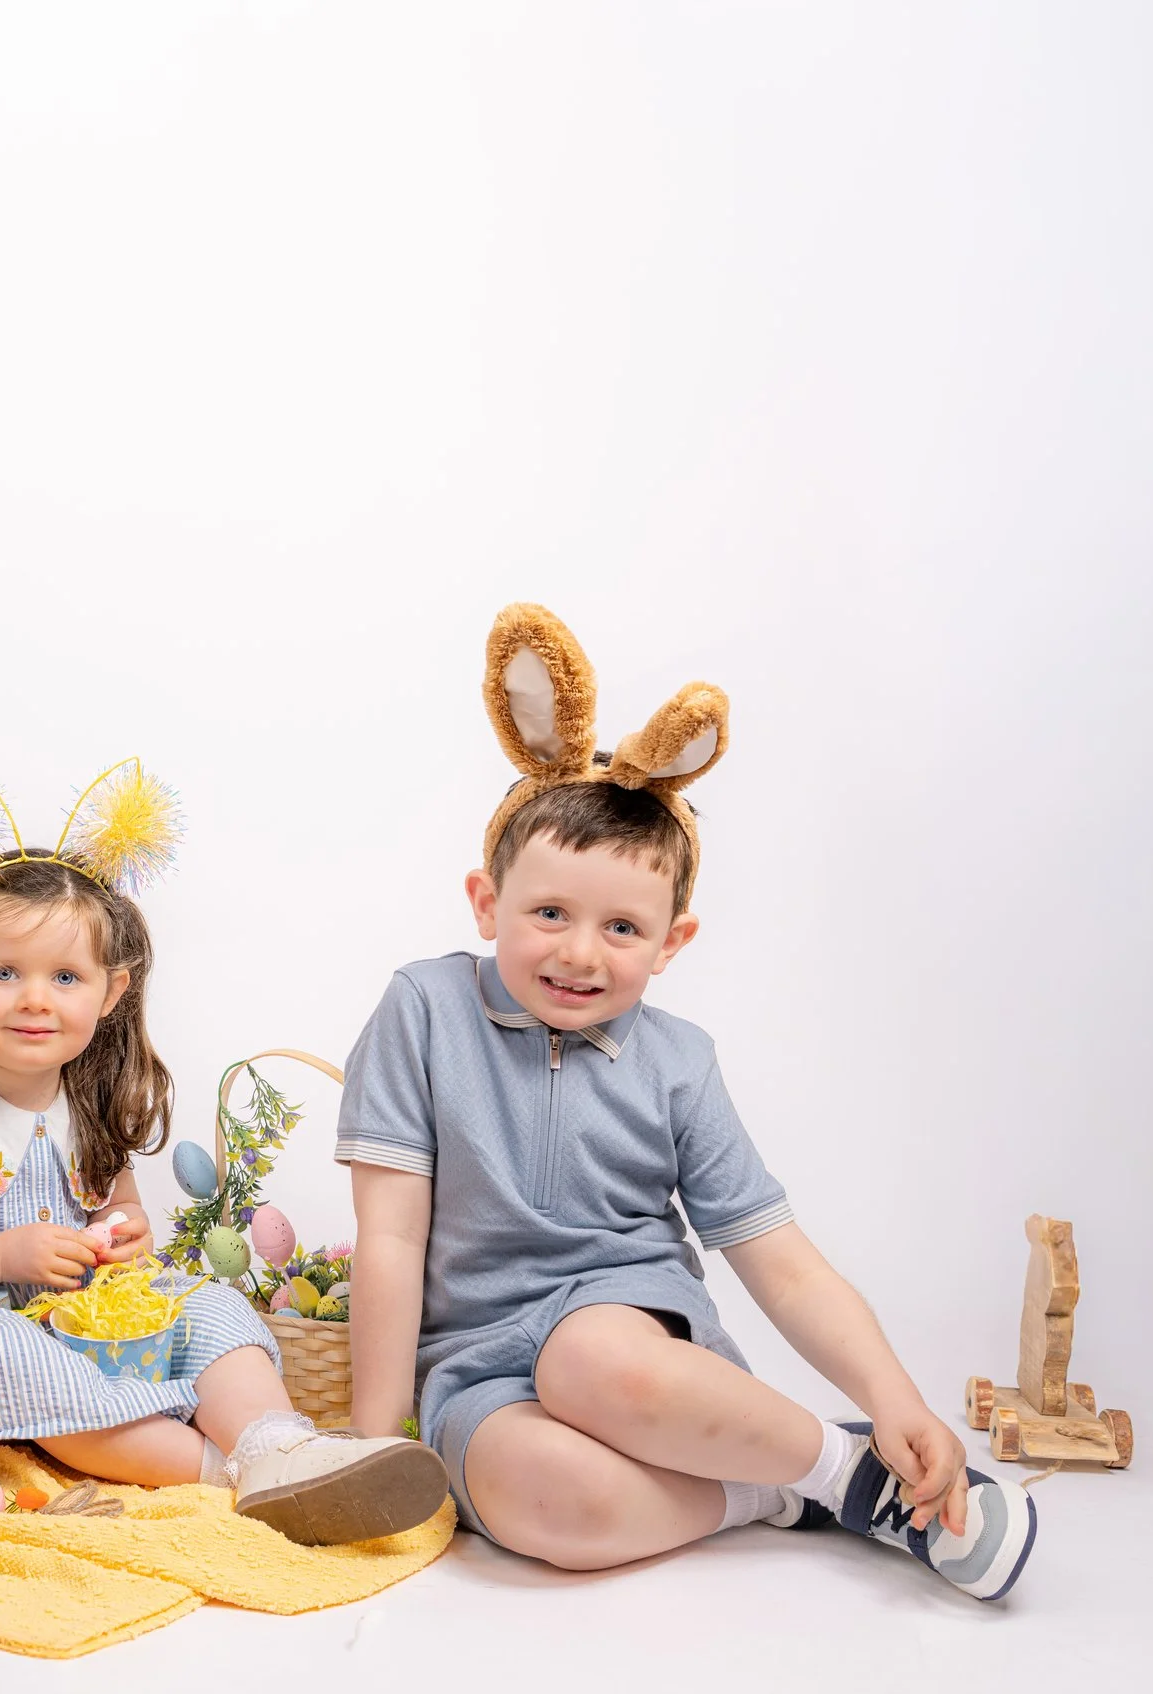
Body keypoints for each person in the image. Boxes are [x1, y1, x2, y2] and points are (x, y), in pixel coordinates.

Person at [342, 603, 1038, 1599]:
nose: (580, 952)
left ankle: (853, 1467)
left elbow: (782, 1266)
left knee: (588, 1359)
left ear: (672, 942)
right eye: (548, 913)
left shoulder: (678, 1062)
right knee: (543, 1505)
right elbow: (391, 1235)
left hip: (625, 1328)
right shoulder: (423, 1007)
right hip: (476, 1360)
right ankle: (785, 1489)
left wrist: (892, 1395)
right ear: (485, 902)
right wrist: (374, 1440)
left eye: (621, 926)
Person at [0, 762, 449, 1546]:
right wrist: (3, 1251)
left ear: (113, 990)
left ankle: (278, 1443)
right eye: (4, 973)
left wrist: (124, 1232)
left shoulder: (89, 1104)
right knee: (18, 1362)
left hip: (78, 1308)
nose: (35, 997)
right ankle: (227, 1476)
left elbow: (119, 1210)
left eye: (66, 976)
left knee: (207, 1305)